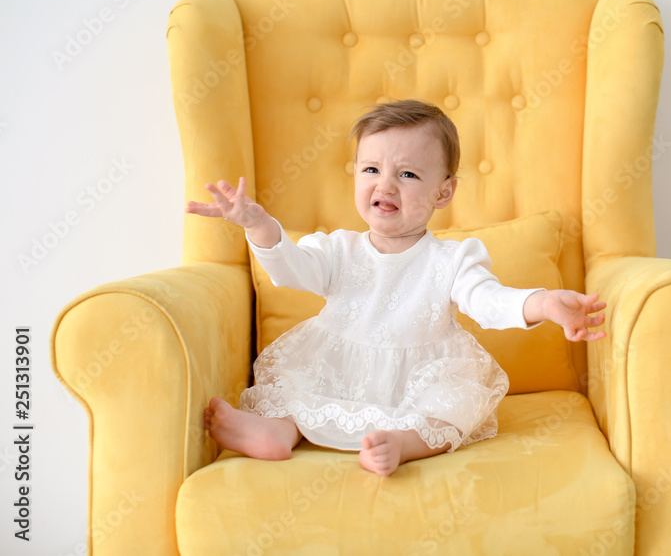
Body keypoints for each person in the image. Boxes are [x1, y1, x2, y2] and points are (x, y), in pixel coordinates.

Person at [187, 99, 606, 476]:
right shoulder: (337, 250)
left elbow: (488, 301)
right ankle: (277, 432)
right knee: (296, 389)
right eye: (371, 169)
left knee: (450, 409)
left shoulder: (453, 259)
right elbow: (291, 270)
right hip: (338, 365)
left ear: (443, 191)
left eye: (407, 174)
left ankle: (401, 444)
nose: (385, 185)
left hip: (418, 376)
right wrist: (259, 226)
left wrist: (545, 302)